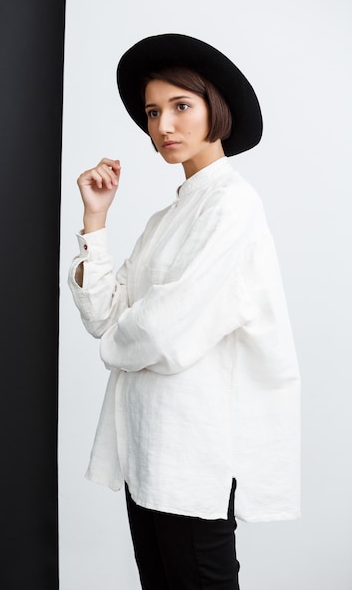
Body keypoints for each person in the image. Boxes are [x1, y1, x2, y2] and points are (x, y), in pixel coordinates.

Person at [68, 33, 301, 590]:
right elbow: (105, 313)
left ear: (213, 110)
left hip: (192, 456)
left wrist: (119, 348)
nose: (164, 126)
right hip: (146, 453)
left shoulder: (233, 204)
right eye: (153, 112)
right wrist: (95, 219)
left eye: (180, 106)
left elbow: (166, 329)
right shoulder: (165, 218)